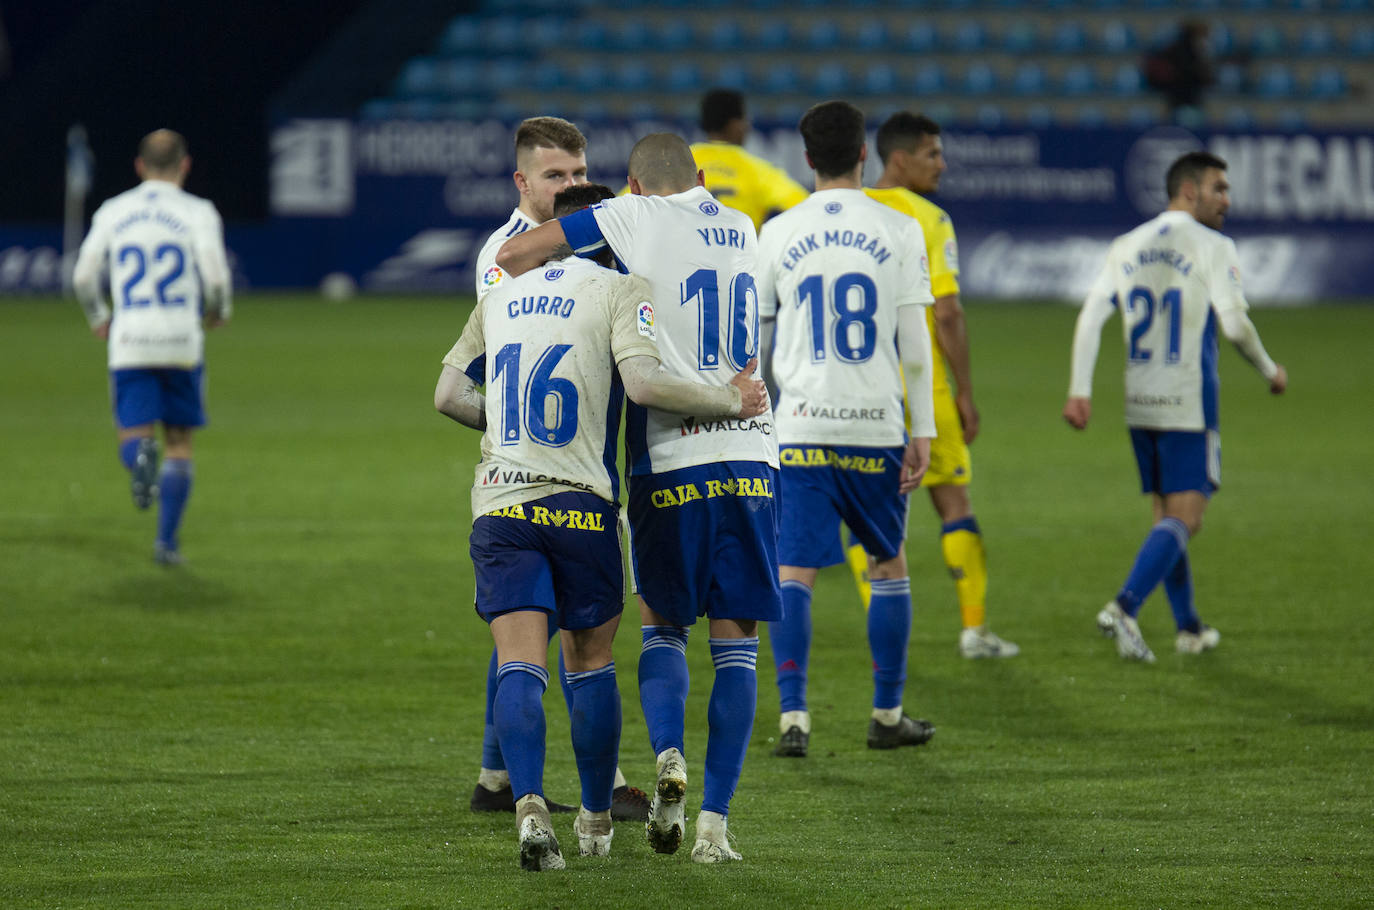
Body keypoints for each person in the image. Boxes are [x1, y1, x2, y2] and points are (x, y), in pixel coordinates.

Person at [436, 183, 768, 870]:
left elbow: (446, 394)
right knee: (589, 666)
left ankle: (528, 807)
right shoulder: (619, 291)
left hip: (501, 502)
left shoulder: (497, 297)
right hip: (582, 504)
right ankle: (594, 822)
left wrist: (505, 433)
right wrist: (729, 400)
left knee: (521, 666)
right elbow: (644, 385)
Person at [465, 118, 650, 824]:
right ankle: (600, 783)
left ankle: (495, 774)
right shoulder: (507, 259)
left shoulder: (579, 238)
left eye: (578, 174)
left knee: (525, 627)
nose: (573, 187)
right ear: (522, 182)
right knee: (566, 630)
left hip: (563, 462)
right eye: (555, 177)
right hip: (550, 467)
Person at [755, 101, 938, 760]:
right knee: (887, 563)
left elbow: (760, 341)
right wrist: (925, 428)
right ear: (865, 153)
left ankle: (794, 718)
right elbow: (914, 340)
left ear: (805, 160)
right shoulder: (899, 226)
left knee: (794, 570)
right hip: (874, 425)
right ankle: (886, 713)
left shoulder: (776, 233)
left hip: (800, 425)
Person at [1063, 151, 1287, 662]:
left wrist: (1080, 389)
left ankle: (1188, 627)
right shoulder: (1213, 245)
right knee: (1187, 517)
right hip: (1188, 398)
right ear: (1189, 191)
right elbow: (1233, 325)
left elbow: (1091, 317)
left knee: (1167, 515)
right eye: (1219, 188)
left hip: (1140, 399)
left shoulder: (1126, 244)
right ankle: (1124, 606)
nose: (1227, 200)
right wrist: (1271, 370)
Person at [848, 112, 1019, 660]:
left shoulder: (843, 215)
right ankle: (974, 629)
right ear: (899, 159)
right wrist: (966, 390)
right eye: (932, 155)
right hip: (924, 391)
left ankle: (880, 627)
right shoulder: (928, 219)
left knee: (865, 514)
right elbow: (947, 314)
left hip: (858, 390)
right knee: (954, 502)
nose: (942, 165)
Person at [72, 129, 232, 566]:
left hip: (131, 340)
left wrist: (98, 317)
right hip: (182, 340)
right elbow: (215, 277)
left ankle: (139, 457)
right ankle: (166, 542)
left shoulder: (114, 210)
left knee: (134, 431)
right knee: (179, 442)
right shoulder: (198, 211)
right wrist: (217, 311)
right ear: (185, 165)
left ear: (139, 166)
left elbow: (84, 275)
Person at [691, 88, 809, 234]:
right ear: (735, 124)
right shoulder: (757, 169)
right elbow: (804, 204)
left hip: (688, 252)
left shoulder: (683, 161)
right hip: (741, 252)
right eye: (745, 120)